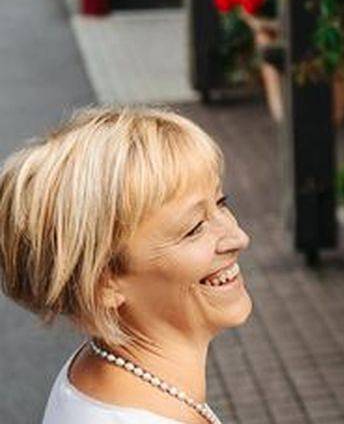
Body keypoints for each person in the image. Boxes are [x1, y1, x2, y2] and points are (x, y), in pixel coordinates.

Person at [0, 107, 251, 423]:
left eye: (220, 203)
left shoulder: (95, 375)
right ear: (103, 282)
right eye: (194, 227)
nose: (239, 238)